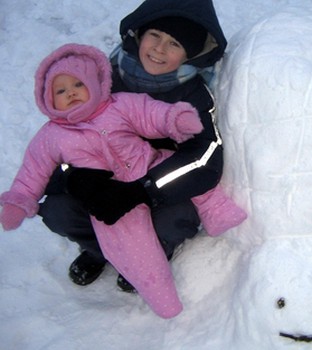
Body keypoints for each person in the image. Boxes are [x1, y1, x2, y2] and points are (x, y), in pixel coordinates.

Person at [0, 43, 244, 318]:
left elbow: (150, 113)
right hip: (106, 196)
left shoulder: (117, 105)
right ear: (47, 100)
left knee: (189, 180)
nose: (70, 93)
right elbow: (33, 170)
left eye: (77, 84)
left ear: (93, 85)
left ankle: (220, 214)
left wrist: (175, 119)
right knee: (134, 247)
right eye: (60, 91)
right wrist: (20, 200)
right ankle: (153, 291)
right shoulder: (50, 136)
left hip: (148, 166)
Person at [36, 0, 246, 292]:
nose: (159, 49)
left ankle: (150, 256)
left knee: (180, 218)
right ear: (139, 33)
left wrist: (144, 190)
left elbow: (205, 157)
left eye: (174, 44)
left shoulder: (194, 96)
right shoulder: (102, 79)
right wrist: (74, 177)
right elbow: (63, 135)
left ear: (191, 54)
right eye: (155, 35)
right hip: (105, 182)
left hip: (153, 188)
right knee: (57, 210)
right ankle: (100, 249)